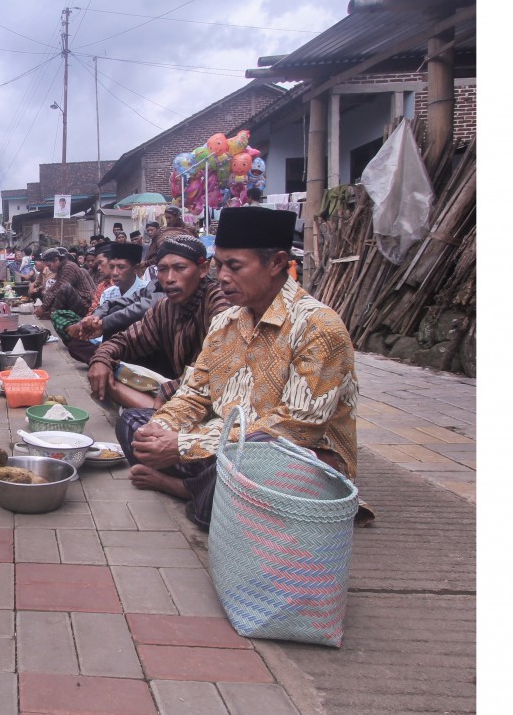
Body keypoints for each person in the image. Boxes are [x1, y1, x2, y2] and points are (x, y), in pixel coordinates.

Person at [116, 207, 358, 528]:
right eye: (218, 265)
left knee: (254, 458)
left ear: (276, 263)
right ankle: (203, 487)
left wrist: (185, 445)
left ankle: (191, 489)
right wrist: (162, 430)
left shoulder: (317, 327)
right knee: (134, 424)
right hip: (224, 441)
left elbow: (296, 427)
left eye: (234, 266)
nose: (223, 276)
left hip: (293, 454)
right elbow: (194, 394)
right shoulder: (226, 322)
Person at [88, 234, 230, 411]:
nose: (169, 278)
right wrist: (101, 359)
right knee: (107, 372)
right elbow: (126, 340)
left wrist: (168, 391)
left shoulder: (219, 302)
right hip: (176, 391)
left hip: (213, 396)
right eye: (163, 269)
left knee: (134, 425)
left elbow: (214, 368)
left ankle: (157, 413)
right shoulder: (165, 307)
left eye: (180, 268)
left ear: (203, 269)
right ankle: (157, 412)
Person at [36, 247, 96, 336]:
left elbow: (60, 289)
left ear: (56, 260)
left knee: (64, 288)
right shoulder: (62, 269)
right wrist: (45, 300)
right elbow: (53, 289)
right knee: (51, 291)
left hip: (85, 304)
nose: (49, 268)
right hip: (79, 301)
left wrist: (44, 308)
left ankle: (54, 315)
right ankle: (53, 315)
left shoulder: (69, 267)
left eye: (49, 265)